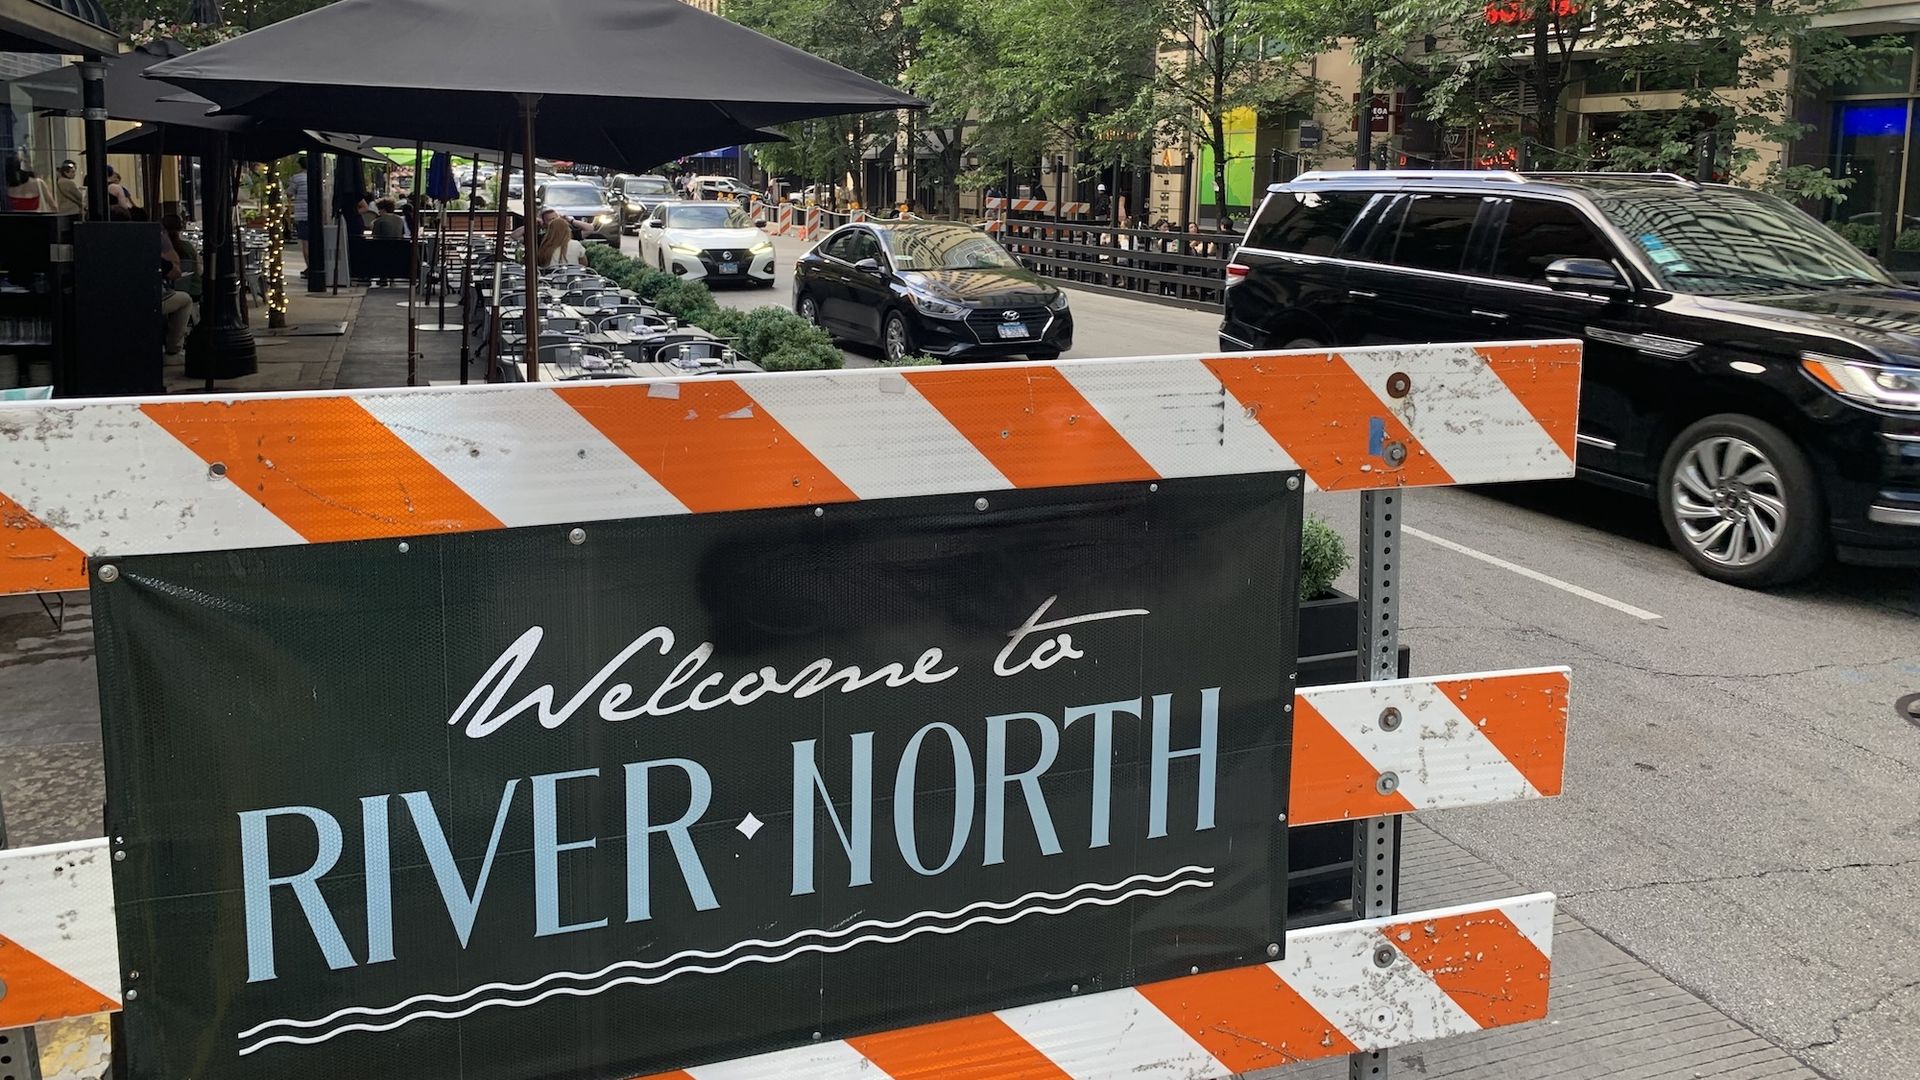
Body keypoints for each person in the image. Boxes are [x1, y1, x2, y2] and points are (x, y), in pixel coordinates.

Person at [158, 230, 192, 359]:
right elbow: (175, 272)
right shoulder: (148, 251)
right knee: (185, 300)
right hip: (149, 301)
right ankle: (173, 348)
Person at [161, 213, 200, 302]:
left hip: (169, 289)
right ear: (181, 228)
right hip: (192, 289)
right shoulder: (188, 247)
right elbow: (199, 269)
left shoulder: (161, 248)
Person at [287, 155, 310, 259]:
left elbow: (289, 193)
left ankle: (309, 267)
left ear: (300, 166)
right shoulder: (315, 176)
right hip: (314, 214)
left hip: (302, 214)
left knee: (305, 243)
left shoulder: (297, 178)